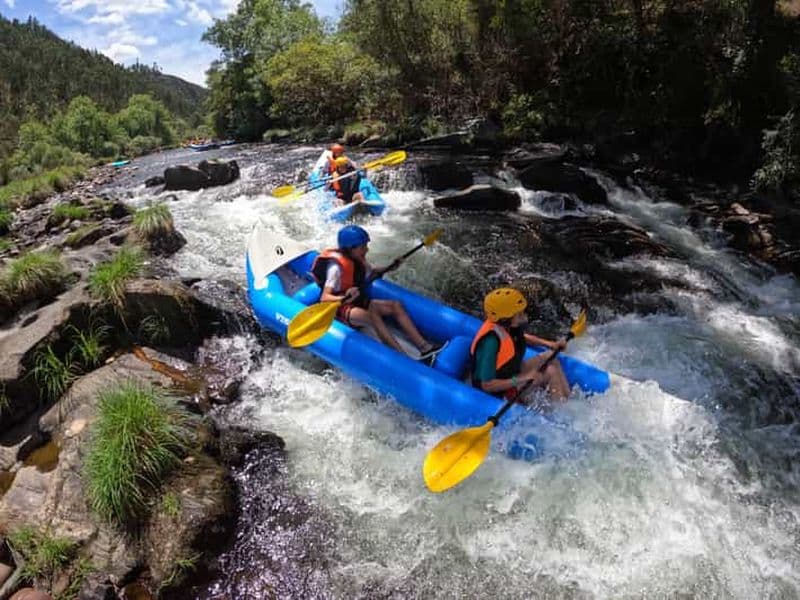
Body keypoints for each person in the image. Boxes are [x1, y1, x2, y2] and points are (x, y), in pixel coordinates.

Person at [311, 225, 446, 360]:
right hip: (338, 307)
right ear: (350, 248)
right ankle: (402, 357)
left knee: (395, 305)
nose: (367, 249)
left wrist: (392, 266)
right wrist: (345, 296)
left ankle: (425, 348)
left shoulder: (357, 259)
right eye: (363, 247)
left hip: (355, 300)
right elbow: (324, 298)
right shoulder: (335, 268)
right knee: (373, 315)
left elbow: (373, 273)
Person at [470, 287, 570, 401]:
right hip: (498, 391)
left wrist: (549, 344)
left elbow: (522, 338)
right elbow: (487, 385)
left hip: (511, 373)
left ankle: (568, 400)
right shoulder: (490, 342)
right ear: (505, 318)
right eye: (518, 313)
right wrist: (523, 379)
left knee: (551, 357)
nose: (523, 314)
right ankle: (561, 412)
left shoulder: (507, 326)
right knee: (551, 372)